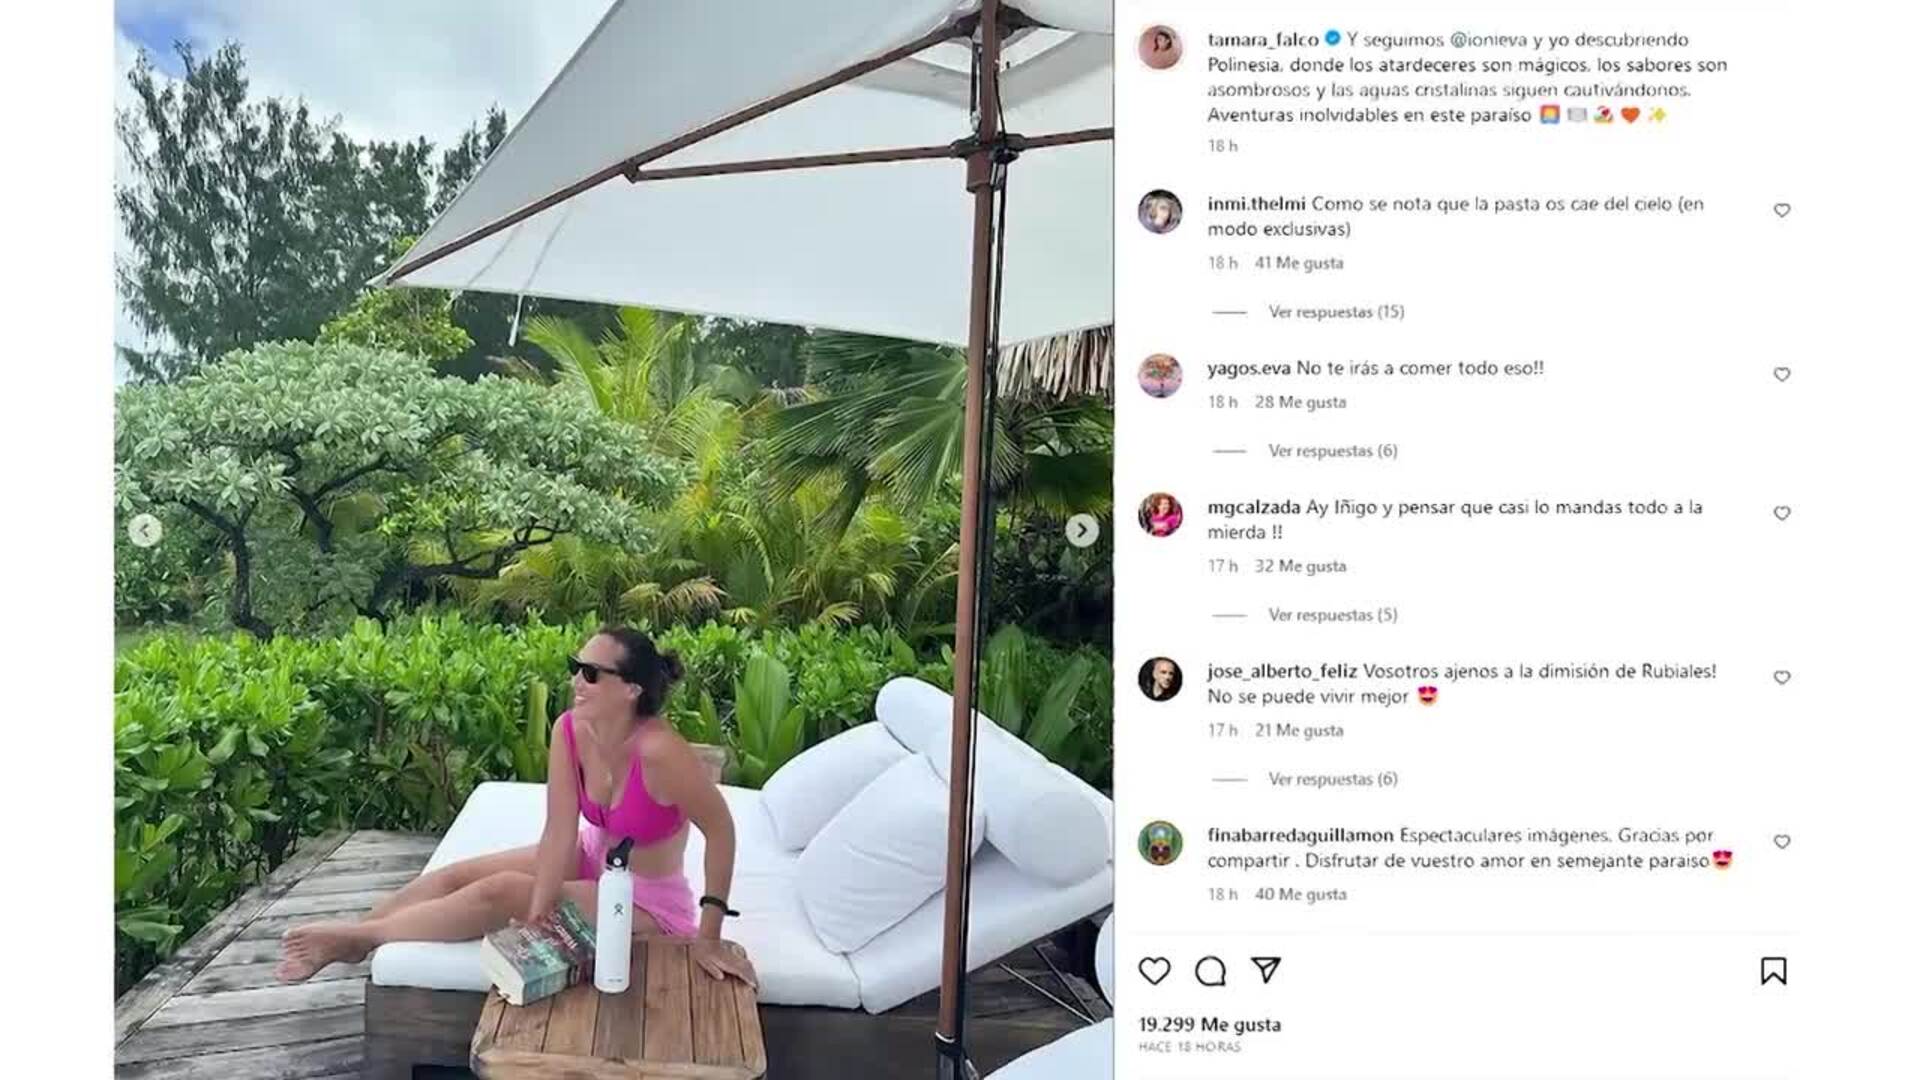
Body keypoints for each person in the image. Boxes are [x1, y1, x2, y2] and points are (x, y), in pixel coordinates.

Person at [276, 626, 757, 988]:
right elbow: (559, 830)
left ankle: (364, 937)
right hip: (593, 855)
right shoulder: (570, 729)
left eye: (591, 673)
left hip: (646, 900)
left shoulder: (661, 753)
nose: (576, 680)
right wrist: (541, 906)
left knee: (501, 891)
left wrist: (709, 935)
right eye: (575, 666)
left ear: (631, 689)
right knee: (459, 875)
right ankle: (356, 935)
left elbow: (722, 830)